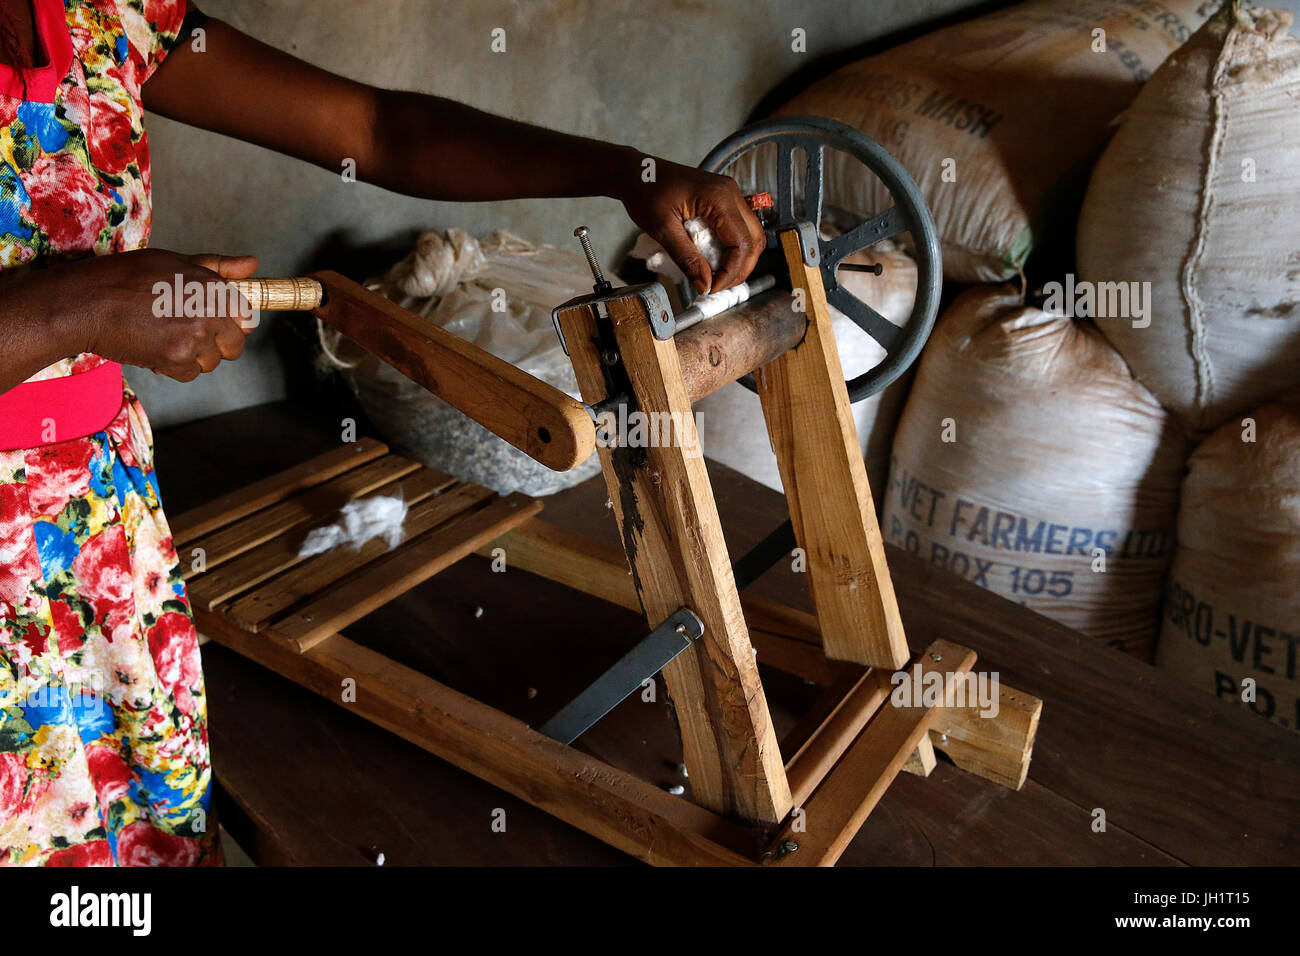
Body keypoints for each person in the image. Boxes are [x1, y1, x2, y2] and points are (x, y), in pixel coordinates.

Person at [0, 0, 764, 866]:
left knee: (130, 844)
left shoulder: (105, 16)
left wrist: (628, 170)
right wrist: (77, 309)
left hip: (94, 525)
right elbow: (72, 309)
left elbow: (378, 128)